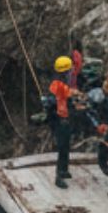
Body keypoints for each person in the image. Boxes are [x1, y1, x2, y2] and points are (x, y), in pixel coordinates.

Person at [48, 55, 80, 187]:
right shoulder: (60, 85)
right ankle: (59, 176)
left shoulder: (58, 83)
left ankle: (64, 170)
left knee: (66, 146)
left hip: (62, 118)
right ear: (66, 71)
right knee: (62, 147)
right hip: (60, 120)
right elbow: (70, 94)